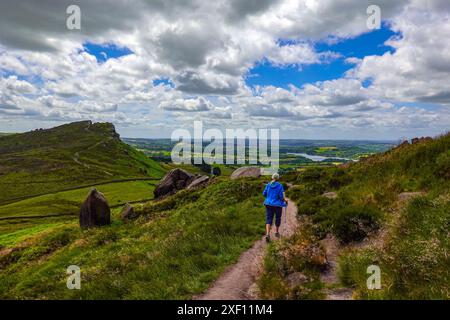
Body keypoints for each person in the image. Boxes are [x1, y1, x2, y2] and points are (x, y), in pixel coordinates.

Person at [262, 173, 288, 242]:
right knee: (278, 218)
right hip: (277, 205)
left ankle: (267, 234)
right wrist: (285, 200)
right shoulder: (280, 185)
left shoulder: (268, 185)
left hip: (268, 204)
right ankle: (276, 232)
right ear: (278, 178)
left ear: (272, 177)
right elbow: (281, 197)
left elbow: (264, 194)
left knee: (269, 219)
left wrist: (269, 196)